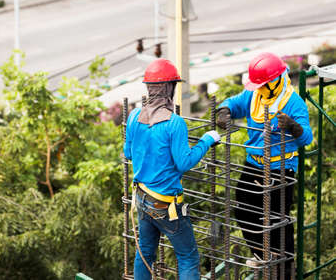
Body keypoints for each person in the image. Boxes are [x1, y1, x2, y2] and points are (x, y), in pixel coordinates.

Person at [216, 52, 313, 279]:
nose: (257, 88)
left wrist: (293, 126)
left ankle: (285, 268)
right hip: (254, 163)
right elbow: (233, 103)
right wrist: (223, 111)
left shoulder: (293, 102)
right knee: (243, 210)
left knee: (278, 219)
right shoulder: (255, 95)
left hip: (281, 168)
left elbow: (306, 138)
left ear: (275, 81)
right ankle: (263, 256)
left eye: (261, 84)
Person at [124, 58, 221, 280]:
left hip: (142, 198)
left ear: (149, 88)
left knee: (145, 253)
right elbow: (184, 162)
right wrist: (206, 140)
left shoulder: (133, 117)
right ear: (170, 88)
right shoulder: (174, 123)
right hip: (165, 204)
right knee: (187, 256)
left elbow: (129, 154)